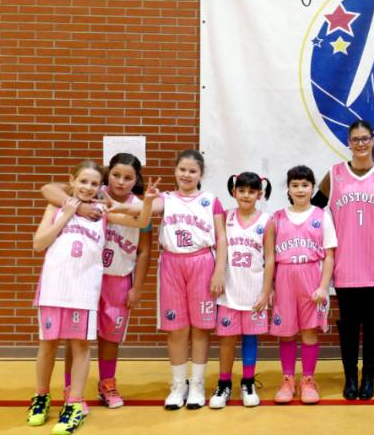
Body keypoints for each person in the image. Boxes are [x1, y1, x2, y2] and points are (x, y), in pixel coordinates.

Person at [28, 161, 155, 434]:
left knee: (81, 347)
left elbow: (142, 222)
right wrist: (67, 213)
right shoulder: (56, 207)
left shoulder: (102, 212)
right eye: (83, 181)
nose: (87, 187)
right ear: (72, 181)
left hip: (85, 290)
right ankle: (41, 397)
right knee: (47, 345)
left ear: (100, 187)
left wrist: (148, 202)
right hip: (53, 288)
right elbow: (38, 244)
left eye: (94, 183)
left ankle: (74, 403)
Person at [311, 120, 374, 400]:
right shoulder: (334, 174)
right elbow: (313, 210)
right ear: (349, 143)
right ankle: (350, 377)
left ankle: (369, 377)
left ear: (373, 140)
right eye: (355, 139)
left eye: (365, 138)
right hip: (346, 261)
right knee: (349, 324)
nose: (361, 143)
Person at [152, 149, 227, 410]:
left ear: (201, 174)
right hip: (172, 264)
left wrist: (219, 271)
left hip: (202, 262)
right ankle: (178, 385)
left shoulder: (211, 201)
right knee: (177, 329)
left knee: (201, 328)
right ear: (175, 171)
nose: (186, 174)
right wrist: (146, 200)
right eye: (182, 169)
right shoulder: (165, 199)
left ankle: (196, 384)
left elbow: (222, 237)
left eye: (192, 171)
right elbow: (140, 211)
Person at [208, 172, 274, 409]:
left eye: (251, 191)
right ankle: (224, 383)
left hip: (254, 291)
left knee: (250, 338)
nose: (246, 195)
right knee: (226, 339)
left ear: (260, 194)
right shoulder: (225, 217)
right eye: (242, 190)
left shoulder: (267, 220)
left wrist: (265, 292)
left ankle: (248, 382)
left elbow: (270, 258)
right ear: (234, 192)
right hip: (229, 291)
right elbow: (218, 249)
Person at [271, 165, 336, 404]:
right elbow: (269, 256)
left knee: (309, 332)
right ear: (288, 189)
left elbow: (329, 256)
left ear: (313, 188)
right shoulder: (277, 217)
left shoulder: (322, 216)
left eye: (305, 185)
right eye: (295, 185)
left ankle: (308, 380)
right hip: (285, 277)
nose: (300, 189)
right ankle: (288, 380)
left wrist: (323, 287)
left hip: (310, 277)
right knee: (287, 334)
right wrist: (271, 287)